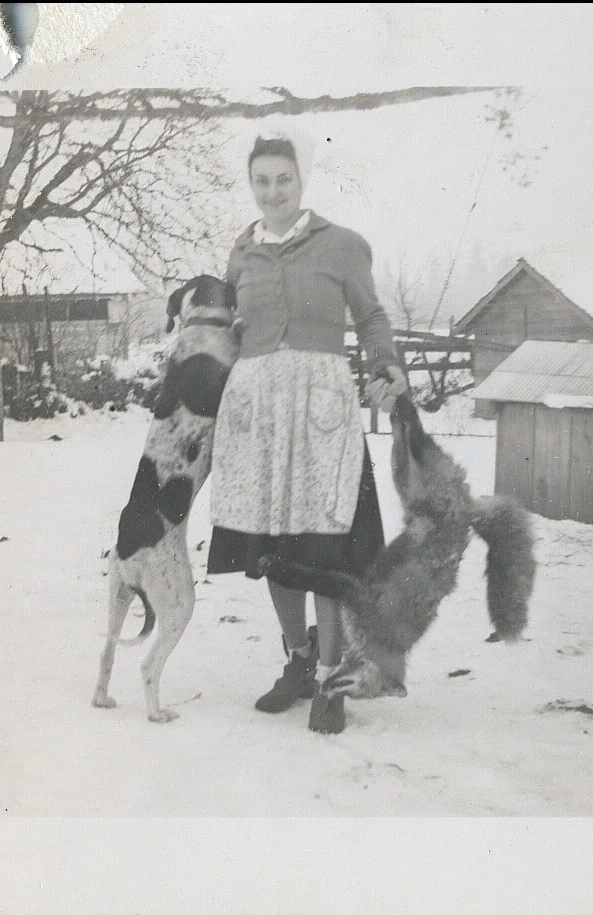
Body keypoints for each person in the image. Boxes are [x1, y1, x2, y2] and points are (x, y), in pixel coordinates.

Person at [206, 134, 408, 735]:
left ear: (303, 180)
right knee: (272, 546)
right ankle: (296, 661)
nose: (274, 193)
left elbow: (371, 318)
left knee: (324, 548)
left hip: (321, 408)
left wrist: (385, 365)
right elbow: (230, 327)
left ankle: (329, 679)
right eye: (262, 181)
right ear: (252, 186)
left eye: (284, 180)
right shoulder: (242, 252)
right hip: (259, 412)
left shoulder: (343, 246)